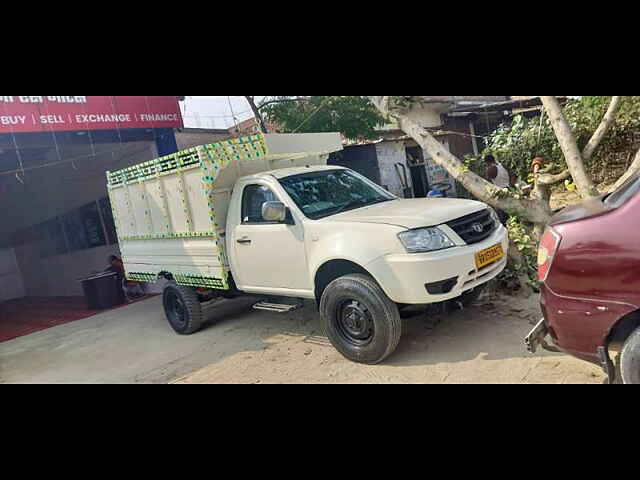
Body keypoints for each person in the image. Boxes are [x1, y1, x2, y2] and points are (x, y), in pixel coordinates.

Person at [484, 155, 510, 225]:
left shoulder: (490, 170)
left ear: (487, 162)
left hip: (500, 193)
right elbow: (512, 175)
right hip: (509, 189)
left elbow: (487, 184)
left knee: (503, 215)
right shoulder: (503, 165)